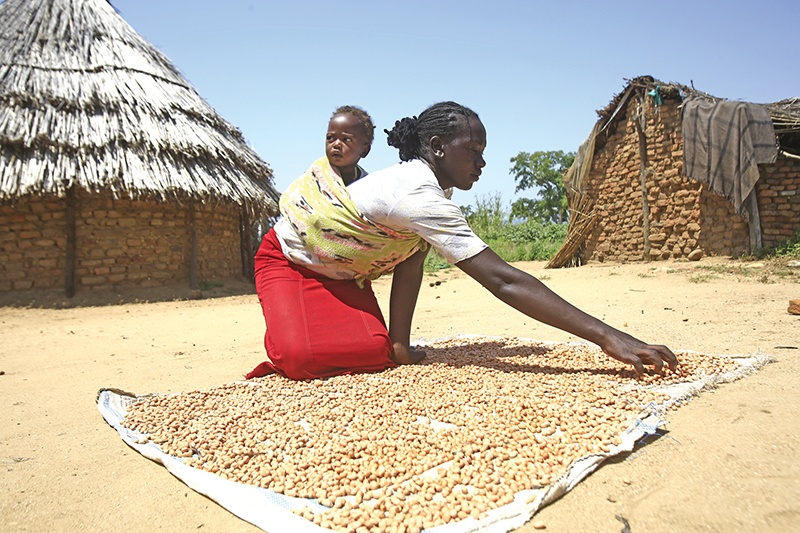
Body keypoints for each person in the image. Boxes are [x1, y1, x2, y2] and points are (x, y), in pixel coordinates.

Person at [247, 101, 678, 380]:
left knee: (373, 355)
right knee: (303, 360)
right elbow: (503, 280)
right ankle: (289, 334)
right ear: (437, 147)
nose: (482, 161)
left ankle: (371, 340)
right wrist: (608, 337)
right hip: (288, 260)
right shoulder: (417, 193)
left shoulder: (431, 192)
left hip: (343, 276)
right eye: (473, 150)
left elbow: (409, 260)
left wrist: (398, 346)